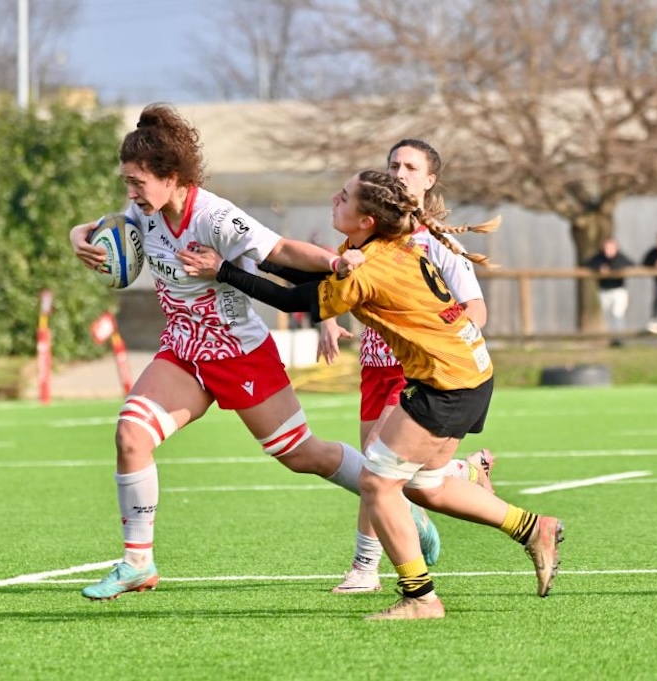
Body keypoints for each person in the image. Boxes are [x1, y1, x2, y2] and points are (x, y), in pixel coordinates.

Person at [67, 103, 439, 600]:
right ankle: (138, 563)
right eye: (127, 183)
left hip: (240, 354)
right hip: (183, 352)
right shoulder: (142, 212)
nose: (130, 193)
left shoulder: (215, 216)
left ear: (171, 177)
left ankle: (399, 504)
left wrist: (336, 260)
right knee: (131, 435)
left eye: (137, 182)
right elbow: (101, 225)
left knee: (302, 455)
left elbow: (281, 250)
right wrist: (79, 237)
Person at [179, 169, 564, 620]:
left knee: (377, 483)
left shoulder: (372, 267)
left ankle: (420, 598)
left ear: (366, 220)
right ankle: (533, 528)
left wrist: (223, 270)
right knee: (425, 485)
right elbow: (300, 270)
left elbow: (294, 301)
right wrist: (247, 253)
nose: (333, 199)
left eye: (343, 197)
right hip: (467, 373)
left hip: (447, 382)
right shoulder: (370, 248)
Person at [262, 139, 498, 595]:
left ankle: (366, 567)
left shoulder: (435, 243)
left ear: (430, 181)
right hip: (375, 363)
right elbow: (330, 282)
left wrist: (441, 339)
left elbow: (476, 311)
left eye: (412, 166)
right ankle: (464, 474)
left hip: (422, 371)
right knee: (385, 473)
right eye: (394, 164)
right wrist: (328, 321)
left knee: (378, 466)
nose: (402, 171)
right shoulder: (368, 235)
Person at [585, 237, 634, 347]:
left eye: (611, 247)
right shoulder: (599, 258)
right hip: (604, 291)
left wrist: (612, 269)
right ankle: (608, 339)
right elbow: (588, 264)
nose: (609, 250)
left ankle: (619, 339)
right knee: (605, 316)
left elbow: (631, 265)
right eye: (607, 247)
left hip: (618, 290)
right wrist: (599, 268)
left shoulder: (621, 258)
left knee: (618, 314)